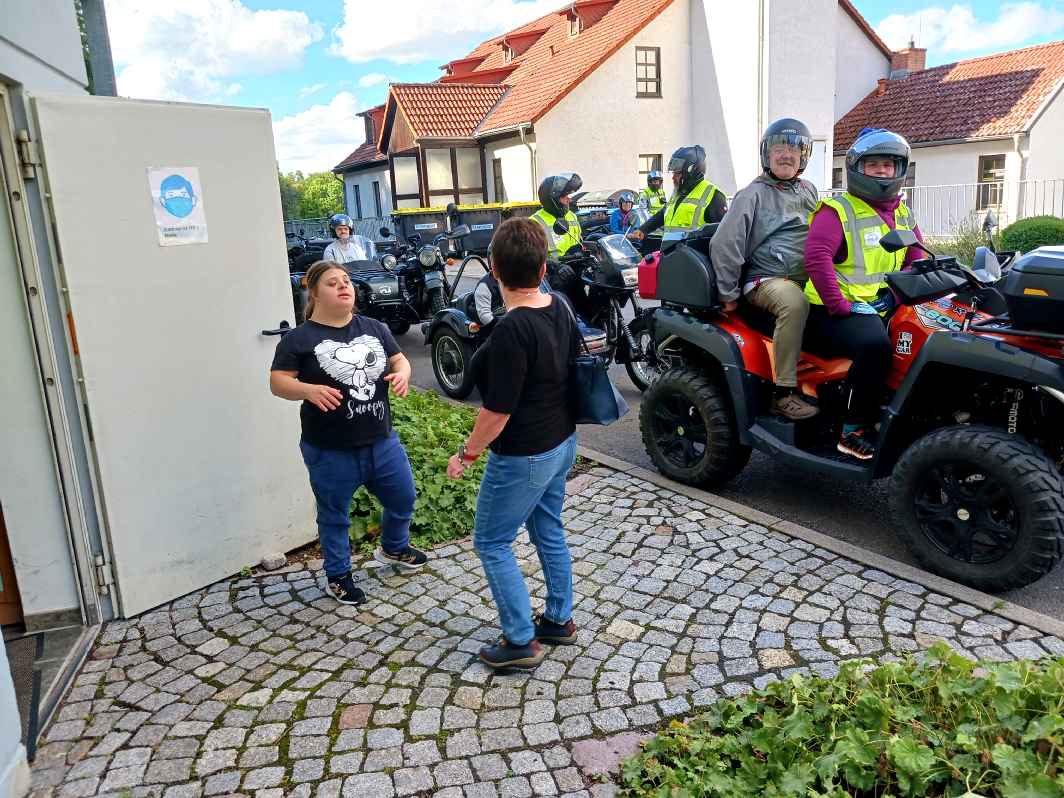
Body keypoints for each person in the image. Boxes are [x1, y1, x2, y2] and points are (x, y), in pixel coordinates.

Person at [446, 218, 579, 670]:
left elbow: (496, 413)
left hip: (524, 454)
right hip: (562, 442)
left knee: (492, 542)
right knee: (548, 528)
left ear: (495, 272)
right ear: (544, 268)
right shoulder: (558, 305)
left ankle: (520, 638)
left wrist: (468, 453)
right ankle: (558, 619)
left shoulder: (510, 330)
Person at [270, 260, 427, 606]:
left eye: (346, 281)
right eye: (331, 283)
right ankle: (338, 575)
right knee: (334, 515)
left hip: (382, 441)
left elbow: (399, 359)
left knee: (403, 498)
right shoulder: (300, 338)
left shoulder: (373, 327)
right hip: (329, 448)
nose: (344, 286)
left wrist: (402, 372)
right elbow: (278, 382)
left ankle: (393, 548)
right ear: (314, 293)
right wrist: (307, 390)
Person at [803, 128, 924, 460]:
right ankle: (852, 429)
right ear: (858, 169)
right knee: (876, 348)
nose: (883, 171)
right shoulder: (836, 211)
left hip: (880, 305)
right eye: (874, 165)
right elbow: (816, 259)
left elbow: (918, 259)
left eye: (889, 164)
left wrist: (899, 297)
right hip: (829, 312)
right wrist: (840, 306)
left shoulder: (902, 213)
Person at [710, 118, 820, 421]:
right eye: (779, 148)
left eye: (794, 149)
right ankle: (783, 393)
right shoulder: (752, 194)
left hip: (806, 276)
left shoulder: (809, 190)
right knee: (794, 303)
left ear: (804, 156)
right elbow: (725, 244)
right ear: (766, 154)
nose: (786, 154)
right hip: (767, 279)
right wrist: (728, 293)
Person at [631, 145, 726, 243]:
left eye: (677, 173)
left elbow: (723, 237)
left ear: (691, 171)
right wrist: (643, 230)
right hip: (671, 254)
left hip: (693, 256)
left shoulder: (713, 195)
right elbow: (663, 214)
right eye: (673, 173)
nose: (673, 178)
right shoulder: (679, 193)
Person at [531, 173, 590, 320]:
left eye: (569, 195)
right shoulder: (535, 222)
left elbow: (579, 242)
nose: (569, 199)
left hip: (575, 272)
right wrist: (554, 266)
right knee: (564, 317)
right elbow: (532, 257)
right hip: (552, 279)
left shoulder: (571, 216)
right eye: (565, 196)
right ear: (553, 199)